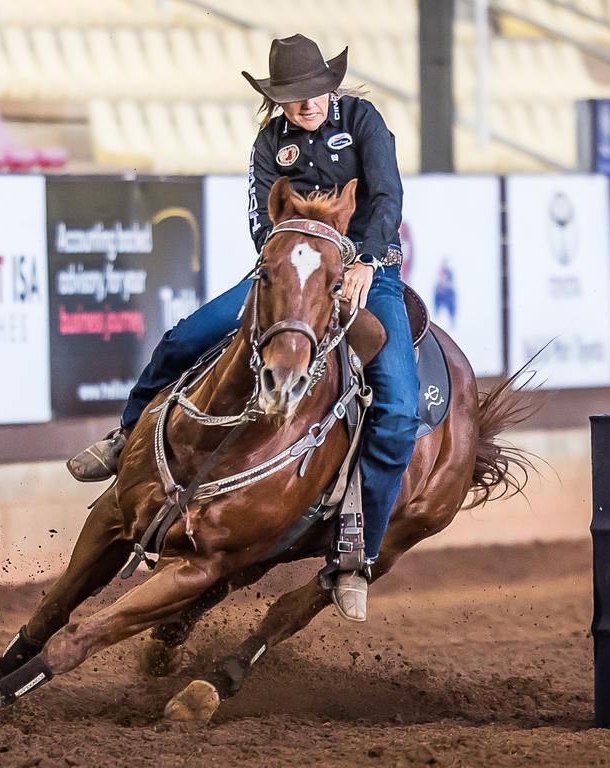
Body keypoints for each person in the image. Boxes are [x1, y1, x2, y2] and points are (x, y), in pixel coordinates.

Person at [67, 34, 420, 622]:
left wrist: (364, 261)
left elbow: (387, 198)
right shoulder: (269, 144)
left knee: (400, 411)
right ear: (277, 98)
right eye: (292, 96)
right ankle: (125, 436)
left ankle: (356, 553)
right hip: (287, 276)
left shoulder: (363, 120)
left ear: (328, 88)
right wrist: (286, 272)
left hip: (365, 271)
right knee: (184, 337)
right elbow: (262, 223)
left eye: (312, 92)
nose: (304, 104)